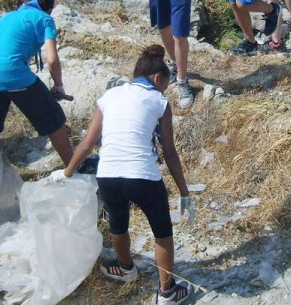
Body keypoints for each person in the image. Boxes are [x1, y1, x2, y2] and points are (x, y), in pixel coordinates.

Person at [63, 45, 194, 305]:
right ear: (158, 79)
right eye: (165, 84)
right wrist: (184, 191)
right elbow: (169, 151)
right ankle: (167, 291)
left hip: (108, 173)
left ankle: (125, 268)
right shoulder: (159, 101)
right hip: (141, 174)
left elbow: (88, 144)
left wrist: (65, 173)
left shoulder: (109, 96)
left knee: (118, 223)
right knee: (162, 232)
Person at [0, 0, 76, 165]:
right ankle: (75, 165)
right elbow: (52, 60)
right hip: (12, 72)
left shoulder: (8, 16)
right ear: (49, 9)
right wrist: (58, 85)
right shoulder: (45, 19)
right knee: (54, 118)